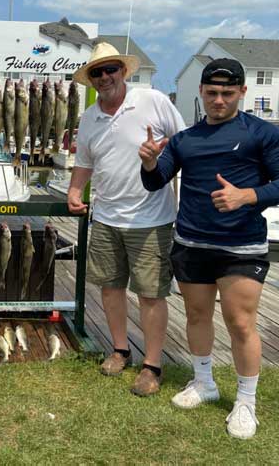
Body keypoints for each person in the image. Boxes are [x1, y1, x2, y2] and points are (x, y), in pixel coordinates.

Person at [140, 58, 279, 438]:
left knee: (241, 322)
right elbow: (156, 182)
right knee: (196, 317)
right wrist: (149, 164)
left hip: (241, 246)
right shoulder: (184, 139)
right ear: (201, 92)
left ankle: (246, 401)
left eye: (228, 93)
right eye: (212, 93)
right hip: (191, 242)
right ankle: (204, 382)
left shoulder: (265, 134)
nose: (219, 100)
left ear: (242, 92)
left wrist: (248, 195)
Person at [67, 42, 185, 396]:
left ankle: (152, 365)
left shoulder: (152, 100)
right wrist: (75, 191)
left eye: (110, 69)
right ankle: (119, 348)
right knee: (111, 288)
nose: (104, 77)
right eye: (97, 73)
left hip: (151, 218)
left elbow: (183, 144)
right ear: (90, 80)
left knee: (151, 294)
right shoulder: (89, 117)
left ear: (124, 72)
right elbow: (85, 162)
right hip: (105, 216)